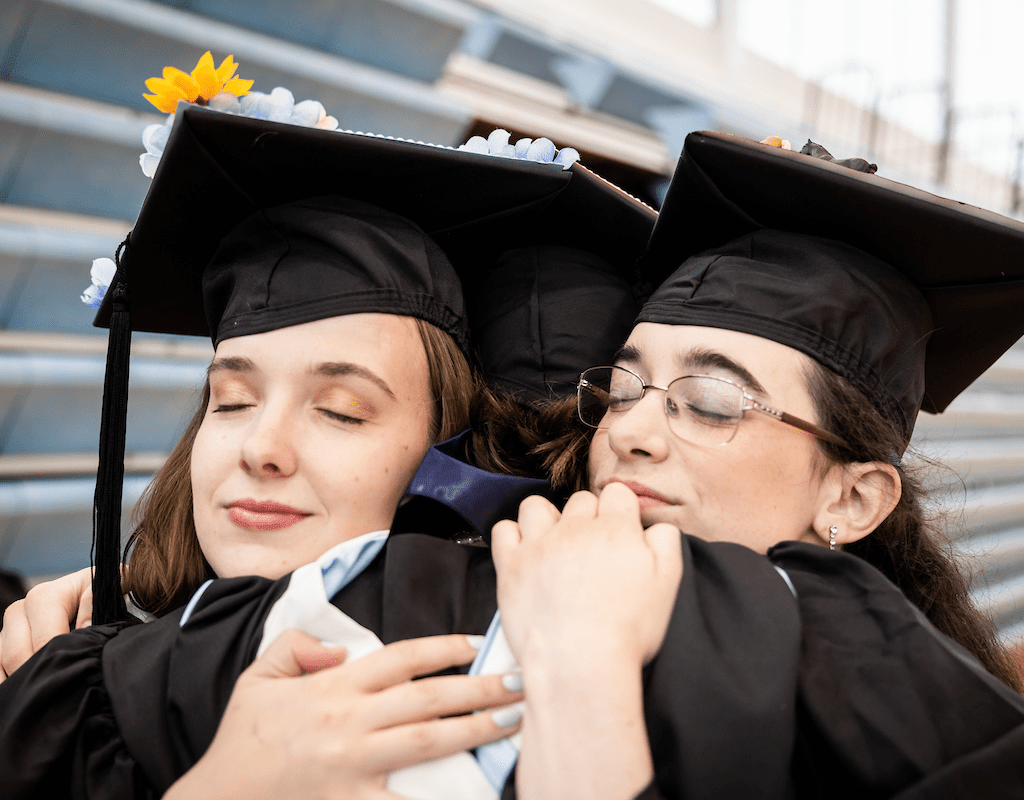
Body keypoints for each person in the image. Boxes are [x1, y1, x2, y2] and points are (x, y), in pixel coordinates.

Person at [0, 106, 657, 798]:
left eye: (341, 412)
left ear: (449, 456)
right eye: (231, 401)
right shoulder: (73, 670)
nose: (262, 448)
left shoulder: (505, 692)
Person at [490, 132, 1024, 800]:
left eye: (712, 405)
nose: (632, 431)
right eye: (622, 392)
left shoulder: (928, 738)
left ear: (851, 500)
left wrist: (582, 673)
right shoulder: (482, 589)